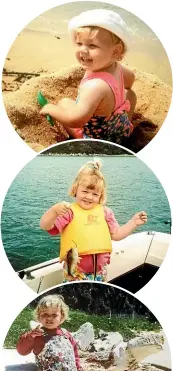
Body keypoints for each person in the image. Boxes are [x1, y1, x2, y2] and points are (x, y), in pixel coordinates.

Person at [40, 160, 148, 282]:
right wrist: (54, 211)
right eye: (85, 191)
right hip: (75, 272)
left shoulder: (105, 212)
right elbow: (45, 226)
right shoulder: (69, 212)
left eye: (95, 194)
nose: (89, 197)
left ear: (101, 196)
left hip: (100, 273)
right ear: (75, 189)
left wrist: (133, 223)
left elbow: (117, 234)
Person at [40, 9, 136, 144]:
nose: (83, 50)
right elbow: (130, 80)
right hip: (120, 129)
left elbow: (76, 120)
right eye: (79, 43)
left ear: (115, 51)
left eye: (92, 45)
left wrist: (52, 110)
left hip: (98, 140)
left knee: (63, 103)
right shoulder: (117, 67)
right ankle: (126, 129)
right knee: (130, 94)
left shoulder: (95, 86)